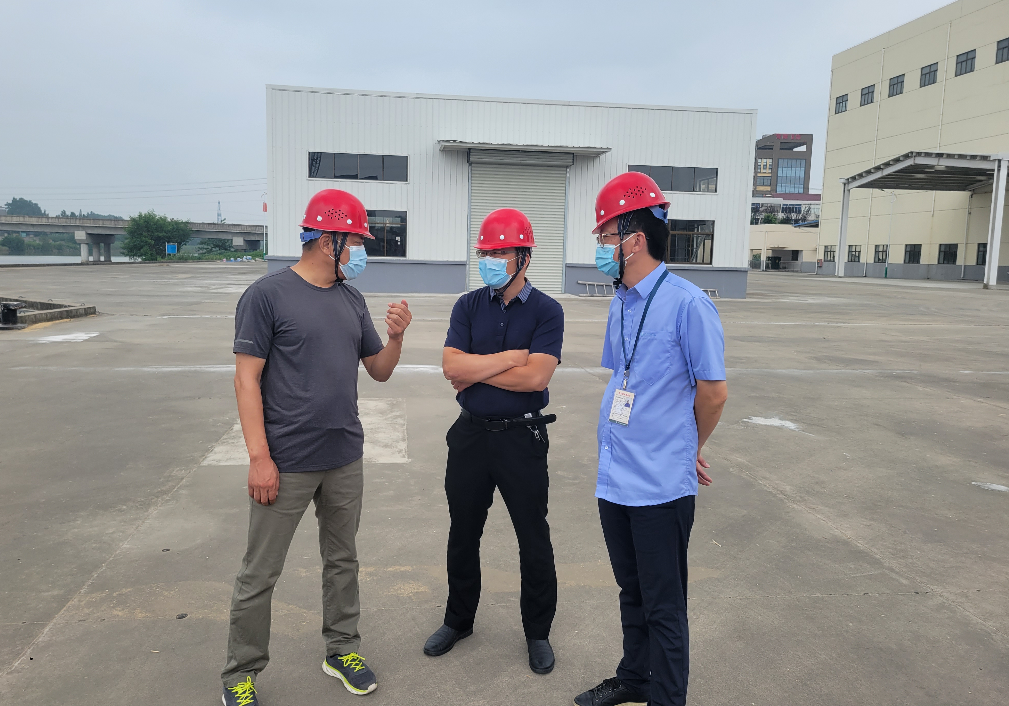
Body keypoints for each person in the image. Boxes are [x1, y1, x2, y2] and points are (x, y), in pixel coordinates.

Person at [221, 189, 413, 706]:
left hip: (344, 456)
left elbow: (378, 371)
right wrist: (259, 458)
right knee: (260, 572)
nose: (361, 251)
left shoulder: (351, 298)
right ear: (329, 241)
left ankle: (342, 649)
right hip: (286, 461)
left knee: (342, 560)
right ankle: (240, 673)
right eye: (357, 242)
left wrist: (396, 337)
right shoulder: (267, 296)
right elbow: (246, 380)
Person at [573, 172, 728, 706]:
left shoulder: (688, 304)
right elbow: (625, 377)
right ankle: (635, 678)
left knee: (664, 605)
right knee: (632, 591)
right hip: (616, 477)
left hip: (660, 485)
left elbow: (713, 393)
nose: (601, 246)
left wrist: (690, 447)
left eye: (605, 236)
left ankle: (666, 698)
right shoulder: (621, 301)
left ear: (634, 239)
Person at [423, 208, 564, 675]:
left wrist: (478, 369)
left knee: (533, 536)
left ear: (524, 257)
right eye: (485, 252)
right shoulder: (467, 306)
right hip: (470, 436)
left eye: (500, 252)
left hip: (522, 437)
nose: (490, 260)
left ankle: (538, 632)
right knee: (463, 532)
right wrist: (511, 358)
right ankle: (458, 620)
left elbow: (536, 378)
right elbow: (452, 367)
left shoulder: (547, 311)